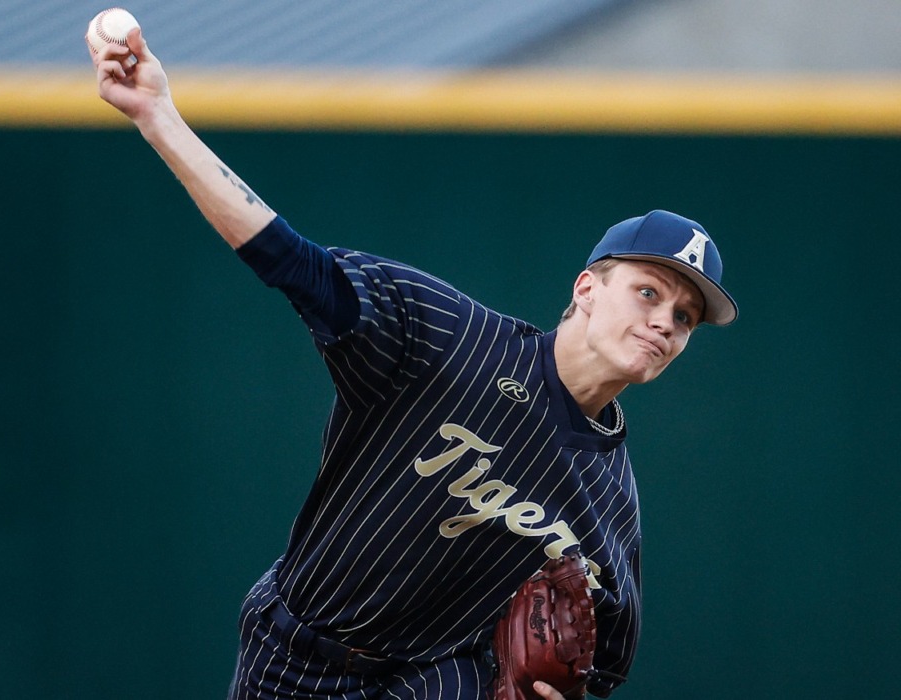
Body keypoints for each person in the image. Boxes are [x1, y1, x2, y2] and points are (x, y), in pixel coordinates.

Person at [89, 29, 737, 700]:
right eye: (648, 291)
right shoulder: (448, 338)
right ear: (585, 289)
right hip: (293, 648)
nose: (665, 320)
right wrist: (157, 117)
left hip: (432, 681)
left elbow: (604, 662)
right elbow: (290, 260)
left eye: (686, 316)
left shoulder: (610, 504)